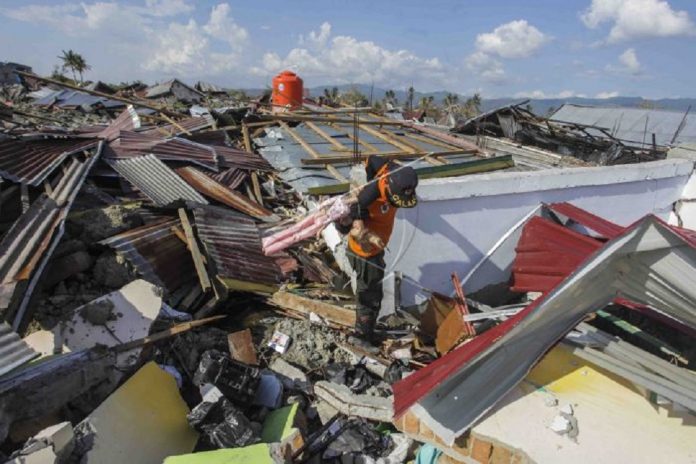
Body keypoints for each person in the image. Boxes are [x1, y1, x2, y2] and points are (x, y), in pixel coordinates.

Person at [337, 155, 418, 346]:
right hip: (365, 254)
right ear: (389, 189)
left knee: (372, 290)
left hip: (376, 250)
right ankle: (361, 336)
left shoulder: (392, 169)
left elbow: (371, 160)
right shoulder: (370, 195)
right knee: (370, 295)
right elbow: (348, 214)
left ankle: (366, 330)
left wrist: (369, 175)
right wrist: (361, 228)